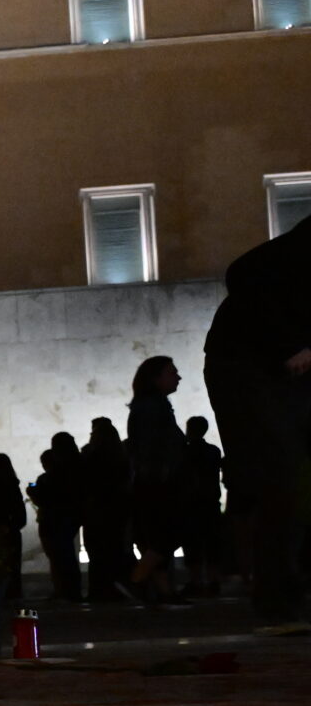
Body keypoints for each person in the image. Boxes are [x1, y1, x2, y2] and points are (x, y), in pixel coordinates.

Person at [201, 218, 311, 632]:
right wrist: (291, 345)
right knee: (281, 477)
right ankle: (277, 600)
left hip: (284, 371)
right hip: (249, 365)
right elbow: (243, 272)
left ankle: (287, 589)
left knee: (293, 480)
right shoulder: (301, 248)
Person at [125, 357, 189, 606]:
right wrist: (164, 474)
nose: (178, 377)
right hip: (159, 481)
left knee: (158, 535)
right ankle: (137, 579)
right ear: (155, 378)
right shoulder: (153, 407)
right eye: (172, 372)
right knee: (168, 533)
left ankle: (163, 590)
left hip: (153, 479)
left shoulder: (149, 406)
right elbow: (154, 446)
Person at [80, 418, 135, 602]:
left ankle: (100, 590)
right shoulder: (121, 456)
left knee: (98, 552)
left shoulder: (93, 457)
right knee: (115, 550)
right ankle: (118, 586)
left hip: (99, 510)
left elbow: (88, 483)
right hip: (117, 509)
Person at [31, 433, 85, 605]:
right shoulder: (75, 467)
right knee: (63, 555)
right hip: (67, 516)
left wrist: (35, 493)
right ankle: (67, 590)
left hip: (56, 517)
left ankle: (67, 591)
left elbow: (49, 496)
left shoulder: (57, 473)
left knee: (61, 556)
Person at [180, 416, 226, 597]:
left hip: (190, 503)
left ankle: (195, 581)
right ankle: (214, 580)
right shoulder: (213, 451)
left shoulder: (184, 452)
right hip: (210, 502)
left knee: (192, 543)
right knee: (212, 543)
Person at [0, 452, 29, 602]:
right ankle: (14, 594)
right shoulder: (13, 486)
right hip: (11, 531)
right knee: (13, 567)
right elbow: (20, 515)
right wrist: (11, 526)